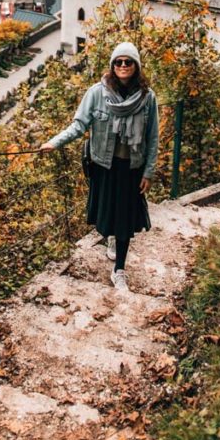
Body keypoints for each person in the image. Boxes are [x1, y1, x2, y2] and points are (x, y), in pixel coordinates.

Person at [41, 41, 159, 292]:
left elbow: (153, 137)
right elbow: (79, 126)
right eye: (119, 62)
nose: (123, 66)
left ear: (136, 66)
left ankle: (120, 271)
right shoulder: (97, 93)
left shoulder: (148, 98)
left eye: (128, 62)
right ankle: (112, 240)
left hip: (132, 168)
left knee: (125, 219)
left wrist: (149, 171)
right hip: (105, 166)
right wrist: (54, 142)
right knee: (107, 219)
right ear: (112, 65)